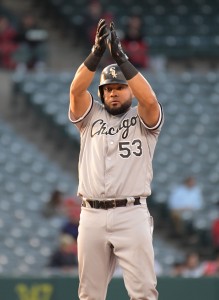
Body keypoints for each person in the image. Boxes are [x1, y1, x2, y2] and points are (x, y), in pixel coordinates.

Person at [69, 19, 164, 300]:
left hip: (131, 212)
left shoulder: (142, 116)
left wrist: (122, 59)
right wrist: (96, 53)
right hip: (91, 214)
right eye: (108, 89)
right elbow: (76, 91)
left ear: (130, 90)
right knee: (90, 294)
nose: (113, 92)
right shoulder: (91, 117)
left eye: (119, 87)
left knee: (144, 292)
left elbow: (150, 101)